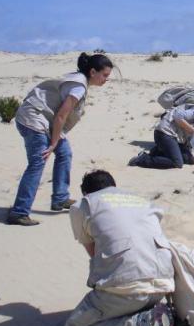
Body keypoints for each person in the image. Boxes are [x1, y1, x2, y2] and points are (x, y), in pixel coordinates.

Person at [62, 170, 182, 326]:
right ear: (113, 186)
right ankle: (157, 315)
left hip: (125, 290)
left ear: (85, 192)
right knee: (132, 296)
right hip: (164, 285)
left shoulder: (83, 205)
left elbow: (93, 252)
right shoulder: (142, 201)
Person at [7, 52, 114, 226]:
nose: (106, 79)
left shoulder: (79, 80)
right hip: (34, 120)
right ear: (93, 72)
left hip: (42, 119)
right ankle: (19, 212)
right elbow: (60, 116)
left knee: (65, 153)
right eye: (105, 75)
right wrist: (54, 142)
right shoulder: (79, 86)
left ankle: (60, 198)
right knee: (37, 163)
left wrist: (57, 141)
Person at [130, 100, 194, 169]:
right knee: (177, 163)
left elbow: (192, 138)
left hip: (172, 137)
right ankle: (142, 159)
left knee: (190, 160)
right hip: (164, 133)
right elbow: (178, 117)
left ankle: (158, 151)